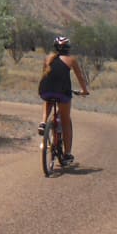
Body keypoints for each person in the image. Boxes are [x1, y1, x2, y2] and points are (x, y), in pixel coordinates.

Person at [38, 35, 90, 166]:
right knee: (66, 120)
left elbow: (46, 76)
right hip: (62, 92)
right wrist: (84, 91)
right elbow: (80, 78)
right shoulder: (71, 60)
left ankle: (43, 122)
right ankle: (67, 154)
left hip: (45, 90)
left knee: (48, 99)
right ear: (68, 48)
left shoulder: (48, 59)